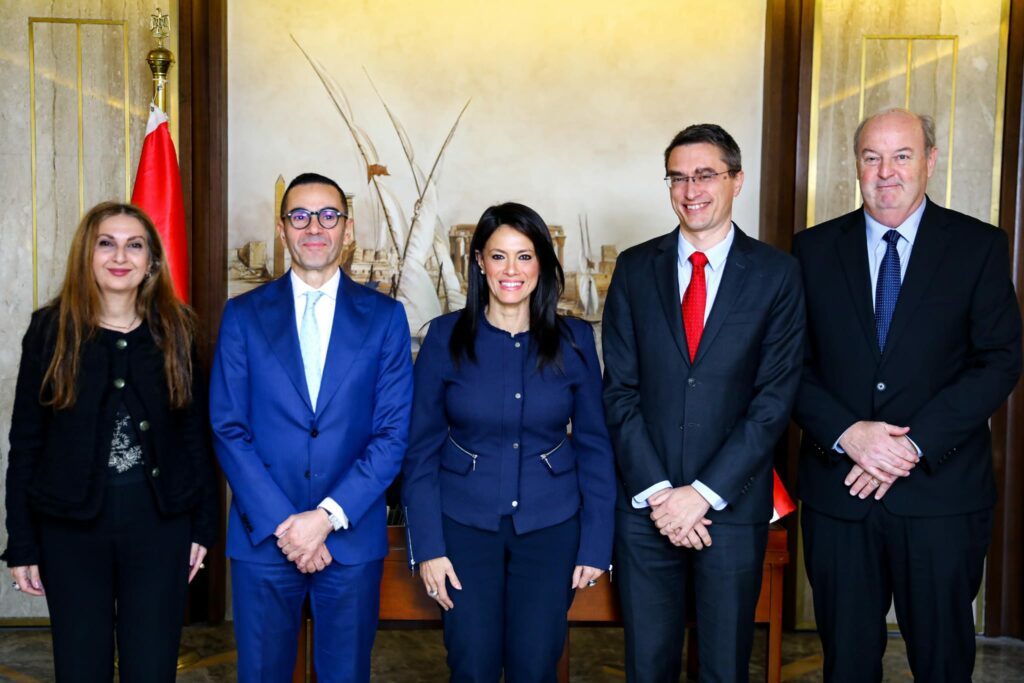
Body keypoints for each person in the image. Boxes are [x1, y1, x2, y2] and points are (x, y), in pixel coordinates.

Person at [792, 108, 1022, 682]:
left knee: (943, 663)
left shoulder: (978, 246)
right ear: (856, 165)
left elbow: (999, 360)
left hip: (941, 496)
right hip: (840, 493)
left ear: (930, 162)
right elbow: (786, 365)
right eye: (872, 157)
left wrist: (910, 446)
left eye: (902, 156)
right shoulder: (810, 250)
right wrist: (848, 434)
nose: (886, 171)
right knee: (847, 663)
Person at [602, 124, 805, 681]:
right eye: (678, 177)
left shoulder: (777, 275)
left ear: (736, 181)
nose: (691, 190)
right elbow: (618, 391)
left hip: (731, 508)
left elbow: (773, 400)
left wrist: (702, 495)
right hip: (646, 510)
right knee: (647, 667)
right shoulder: (634, 269)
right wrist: (661, 495)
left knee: (724, 668)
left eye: (705, 175)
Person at [209, 172, 413, 682]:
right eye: (300, 216)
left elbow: (391, 435)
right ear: (282, 230)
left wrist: (324, 518)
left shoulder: (386, 318)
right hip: (264, 539)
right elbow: (228, 427)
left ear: (347, 228)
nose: (314, 227)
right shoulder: (242, 315)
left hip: (350, 540)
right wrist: (287, 525)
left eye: (328, 215)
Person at [2, 201, 217, 681]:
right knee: (81, 668)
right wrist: (22, 543)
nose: (120, 256)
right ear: (87, 254)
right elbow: (27, 443)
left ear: (151, 260)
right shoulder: (50, 330)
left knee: (151, 668)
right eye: (106, 243)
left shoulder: (178, 329)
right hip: (69, 531)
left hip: (160, 527)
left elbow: (194, 436)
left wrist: (203, 527)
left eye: (134, 245)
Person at [401, 202, 616, 682]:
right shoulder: (443, 337)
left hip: (551, 527)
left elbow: (595, 447)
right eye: (499, 256)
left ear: (542, 263)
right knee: (471, 664)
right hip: (462, 527)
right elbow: (420, 453)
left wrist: (596, 544)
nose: (511, 270)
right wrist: (428, 547)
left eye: (524, 256)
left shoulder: (576, 340)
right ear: (479, 262)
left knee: (534, 666)